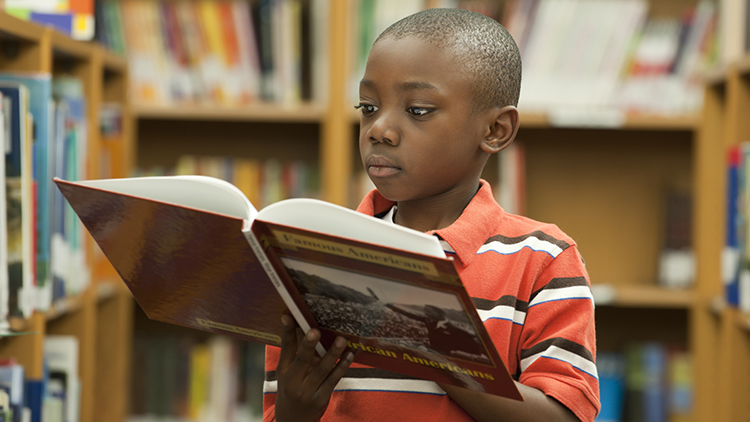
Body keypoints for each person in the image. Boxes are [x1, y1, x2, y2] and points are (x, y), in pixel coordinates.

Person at [263, 8, 599, 422]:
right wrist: (294, 411)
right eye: (367, 107)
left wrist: (432, 343)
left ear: (495, 131)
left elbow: (564, 415)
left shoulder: (542, 259)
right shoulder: (319, 257)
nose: (378, 129)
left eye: (418, 110)